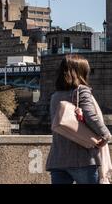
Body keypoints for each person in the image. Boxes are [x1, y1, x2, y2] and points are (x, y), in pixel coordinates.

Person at [46, 54, 112, 184]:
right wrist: (106, 134)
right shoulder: (82, 91)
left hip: (58, 160)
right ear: (81, 72)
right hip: (83, 159)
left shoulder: (55, 96)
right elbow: (90, 116)